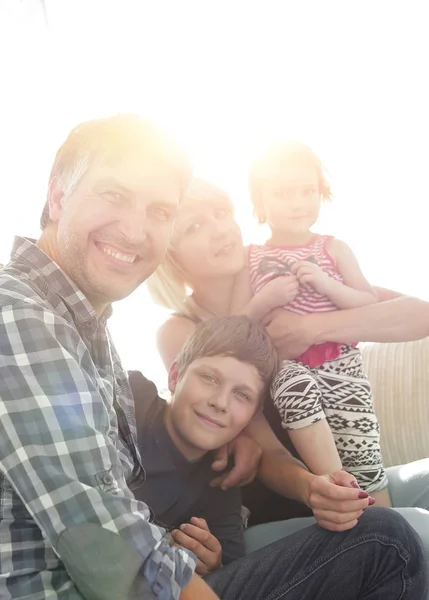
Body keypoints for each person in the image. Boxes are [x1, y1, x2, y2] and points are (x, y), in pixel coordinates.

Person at [0, 115, 427, 600]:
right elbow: (108, 539)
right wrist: (287, 470)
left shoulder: (96, 339)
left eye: (161, 211)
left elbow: (417, 313)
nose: (136, 229)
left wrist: (314, 326)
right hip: (276, 508)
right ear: (57, 197)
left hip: (305, 493)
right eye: (114, 195)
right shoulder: (26, 318)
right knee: (393, 535)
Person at [146, 177, 429, 532]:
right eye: (195, 226)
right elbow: (264, 451)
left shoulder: (277, 266)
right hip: (285, 508)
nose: (220, 230)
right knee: (416, 530)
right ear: (171, 256)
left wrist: (313, 327)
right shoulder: (182, 331)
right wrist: (320, 490)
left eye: (221, 213)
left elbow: (419, 315)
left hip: (353, 482)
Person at [229, 140, 389, 505]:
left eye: (308, 191)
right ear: (260, 201)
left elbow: (367, 302)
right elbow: (236, 325)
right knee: (292, 384)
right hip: (286, 365)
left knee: (363, 455)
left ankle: (388, 523)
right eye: (283, 193)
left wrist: (326, 283)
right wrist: (264, 301)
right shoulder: (250, 256)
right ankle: (334, 488)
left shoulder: (333, 249)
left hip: (340, 364)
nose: (298, 202)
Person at [131, 315, 279, 571]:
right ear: (175, 376)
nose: (220, 402)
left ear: (252, 416)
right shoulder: (131, 399)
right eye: (209, 378)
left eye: (241, 395)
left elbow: (229, 568)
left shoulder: (220, 483)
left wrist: (213, 564)